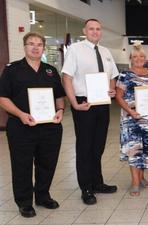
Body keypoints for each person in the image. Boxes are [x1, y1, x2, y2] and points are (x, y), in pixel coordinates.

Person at [0, 32, 65, 217]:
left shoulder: (51, 71)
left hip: (50, 127)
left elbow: (59, 96)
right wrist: (20, 114)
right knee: (22, 165)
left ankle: (43, 196)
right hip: (21, 127)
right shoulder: (12, 70)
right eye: (31, 44)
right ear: (24, 47)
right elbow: (3, 98)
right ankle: (24, 202)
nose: (35, 47)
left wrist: (60, 110)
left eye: (39, 44)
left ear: (44, 47)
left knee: (47, 164)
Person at [62, 19, 119, 205]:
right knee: (85, 147)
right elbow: (67, 78)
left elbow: (112, 76)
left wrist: (111, 90)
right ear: (85, 30)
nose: (95, 32)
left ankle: (97, 182)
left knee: (98, 145)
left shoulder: (105, 52)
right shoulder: (75, 50)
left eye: (98, 29)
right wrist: (74, 104)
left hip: (102, 103)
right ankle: (86, 188)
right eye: (92, 29)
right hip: (83, 103)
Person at [115, 42, 148, 196]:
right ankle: (134, 182)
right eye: (135, 56)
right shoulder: (125, 75)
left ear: (145, 58)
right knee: (135, 150)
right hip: (132, 120)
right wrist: (130, 111)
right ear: (130, 58)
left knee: (146, 150)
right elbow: (118, 96)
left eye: (141, 56)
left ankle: (142, 177)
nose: (138, 59)